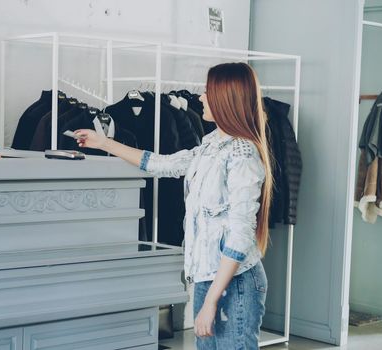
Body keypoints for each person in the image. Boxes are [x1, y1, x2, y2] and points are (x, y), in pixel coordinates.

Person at [75, 62, 272, 349]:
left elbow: (240, 237)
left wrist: (211, 301)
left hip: (235, 285)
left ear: (225, 98)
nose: (201, 97)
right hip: (210, 278)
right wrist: (104, 143)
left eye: (207, 92)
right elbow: (162, 163)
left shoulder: (241, 154)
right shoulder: (210, 146)